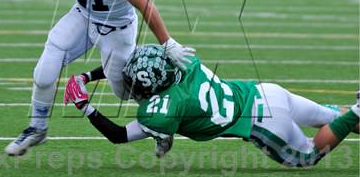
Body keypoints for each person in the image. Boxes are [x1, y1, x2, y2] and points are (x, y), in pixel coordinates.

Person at [4, 0, 195, 156]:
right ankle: (37, 128)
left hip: (116, 26)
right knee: (44, 72)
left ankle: (161, 125)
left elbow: (144, 4)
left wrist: (167, 42)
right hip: (83, 15)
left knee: (125, 91)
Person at [63, 44, 359, 167]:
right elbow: (143, 66)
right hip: (264, 91)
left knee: (308, 155)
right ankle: (354, 112)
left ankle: (358, 111)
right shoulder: (185, 61)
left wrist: (84, 105)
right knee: (330, 117)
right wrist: (89, 76)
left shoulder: (163, 110)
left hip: (264, 123)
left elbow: (117, 135)